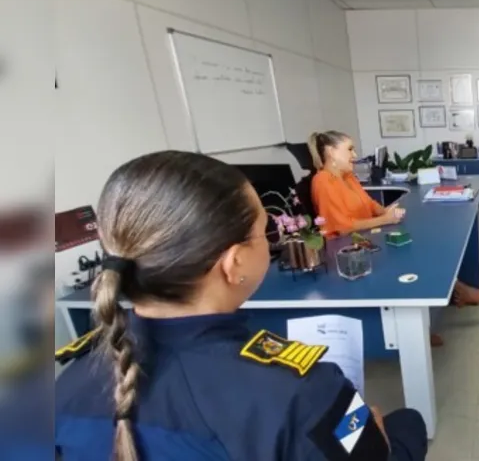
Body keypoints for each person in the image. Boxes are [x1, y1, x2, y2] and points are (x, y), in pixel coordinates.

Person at [54, 151, 428, 460]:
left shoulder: (61, 384)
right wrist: (370, 429)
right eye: (265, 232)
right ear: (234, 264)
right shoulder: (306, 389)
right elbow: (369, 452)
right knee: (408, 422)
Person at [308, 131, 479, 341]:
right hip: (346, 249)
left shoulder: (348, 177)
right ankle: (419, 329)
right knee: (410, 261)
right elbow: (341, 227)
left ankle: (454, 294)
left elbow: (369, 204)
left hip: (366, 236)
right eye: (349, 149)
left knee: (421, 247)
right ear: (331, 152)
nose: (355, 154)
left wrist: (385, 212)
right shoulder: (323, 181)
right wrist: (385, 220)